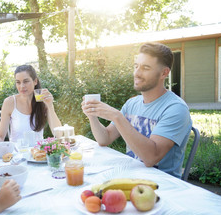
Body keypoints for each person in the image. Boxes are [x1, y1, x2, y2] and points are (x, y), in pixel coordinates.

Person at [82, 42, 192, 178]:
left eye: (145, 68)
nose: (137, 73)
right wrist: (92, 115)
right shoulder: (132, 104)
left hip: (161, 184)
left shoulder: (175, 109)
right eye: (136, 66)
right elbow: (105, 138)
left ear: (164, 73)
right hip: (131, 176)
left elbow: (151, 158)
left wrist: (117, 116)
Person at [0, 64, 62, 145]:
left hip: (38, 154)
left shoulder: (43, 101)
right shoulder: (9, 102)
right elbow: (0, 137)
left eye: (26, 81)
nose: (22, 86)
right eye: (18, 82)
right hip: (16, 155)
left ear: (35, 81)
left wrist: (50, 106)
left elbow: (59, 134)